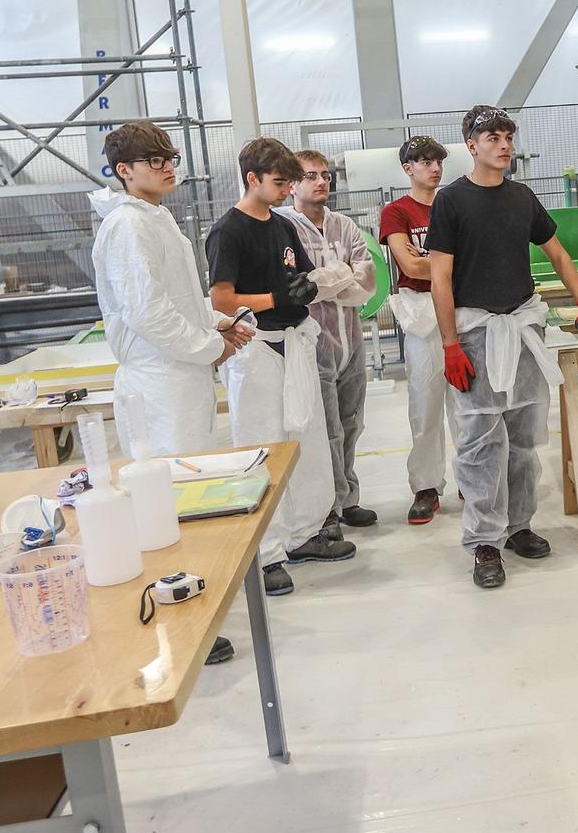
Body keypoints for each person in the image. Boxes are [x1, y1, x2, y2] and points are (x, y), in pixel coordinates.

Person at [91, 122, 254, 667]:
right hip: (159, 381)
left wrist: (222, 322)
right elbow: (147, 313)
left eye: (168, 156)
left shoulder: (156, 218)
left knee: (187, 495)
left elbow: (179, 301)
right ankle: (178, 618)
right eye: (150, 159)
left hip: (179, 377)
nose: (165, 166)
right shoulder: (127, 227)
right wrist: (210, 345)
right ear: (123, 170)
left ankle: (192, 606)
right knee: (166, 505)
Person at [426, 105, 578, 589]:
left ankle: (519, 525)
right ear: (471, 143)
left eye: (508, 136)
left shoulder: (522, 197)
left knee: (525, 437)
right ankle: (485, 540)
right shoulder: (451, 201)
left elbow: (557, 252)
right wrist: (449, 344)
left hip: (523, 325)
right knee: (480, 441)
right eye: (493, 137)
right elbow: (440, 276)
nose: (504, 145)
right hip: (476, 332)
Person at [206, 137, 352, 595]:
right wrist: (274, 299)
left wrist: (311, 287)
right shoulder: (228, 231)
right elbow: (221, 299)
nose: (287, 189)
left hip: (296, 343)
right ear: (252, 178)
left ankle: (304, 533)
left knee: (304, 440)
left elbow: (301, 275)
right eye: (279, 181)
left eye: (291, 181)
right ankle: (265, 553)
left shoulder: (283, 226)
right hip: (256, 348)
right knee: (262, 450)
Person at [280, 149, 379, 530]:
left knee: (352, 421)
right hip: (312, 343)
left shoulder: (345, 226)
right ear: (292, 184)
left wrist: (322, 280)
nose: (321, 182)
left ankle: (348, 497)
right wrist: (339, 276)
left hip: (350, 339)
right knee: (325, 430)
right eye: (310, 176)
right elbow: (298, 289)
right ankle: (328, 508)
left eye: (325, 175)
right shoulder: (286, 227)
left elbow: (365, 283)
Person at [379, 136, 452, 525]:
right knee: (425, 404)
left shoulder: (456, 201)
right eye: (425, 162)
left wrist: (433, 264)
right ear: (408, 168)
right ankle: (426, 485)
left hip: (463, 308)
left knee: (472, 405)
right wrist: (452, 265)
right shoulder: (397, 212)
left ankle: (476, 479)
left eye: (438, 161)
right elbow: (409, 266)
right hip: (422, 318)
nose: (434, 168)